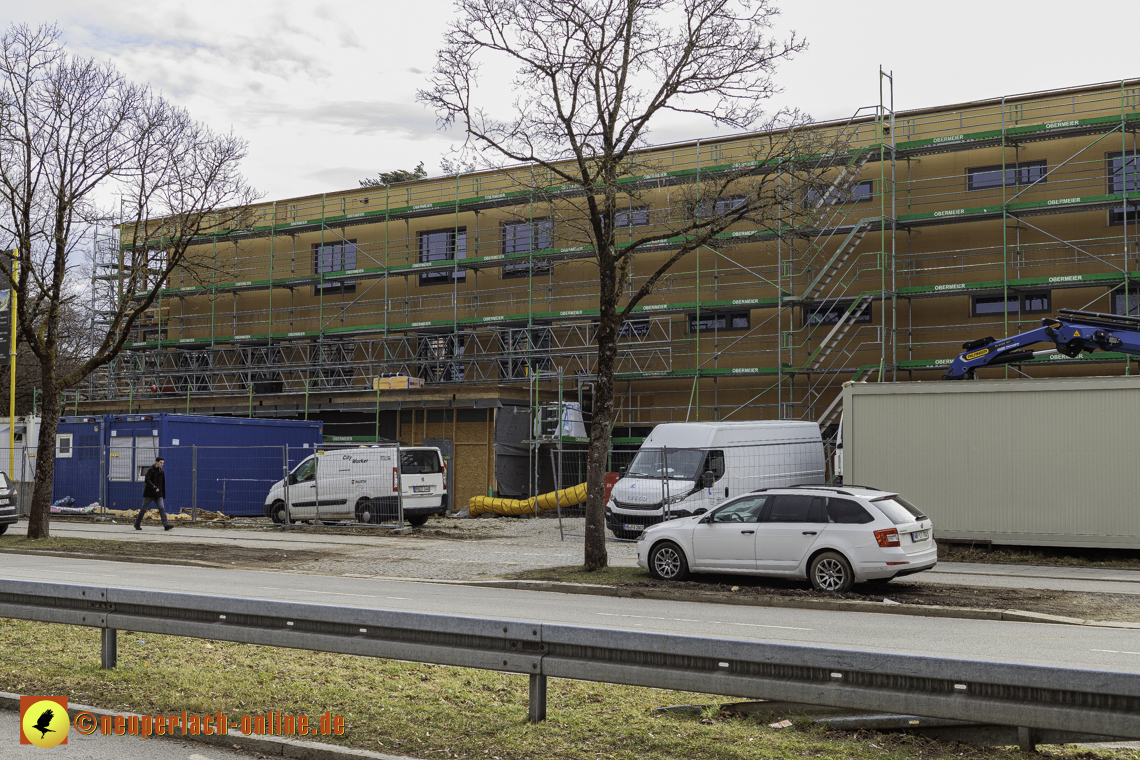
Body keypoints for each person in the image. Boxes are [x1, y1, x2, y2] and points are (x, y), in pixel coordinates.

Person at [135, 456, 173, 531]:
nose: (162, 464)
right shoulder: (150, 470)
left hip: (158, 495)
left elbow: (163, 484)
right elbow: (147, 481)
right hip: (149, 494)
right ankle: (137, 524)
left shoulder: (162, 472)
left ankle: (166, 525)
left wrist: (163, 495)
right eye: (160, 463)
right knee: (143, 509)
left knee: (162, 508)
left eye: (163, 463)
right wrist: (154, 487)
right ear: (156, 462)